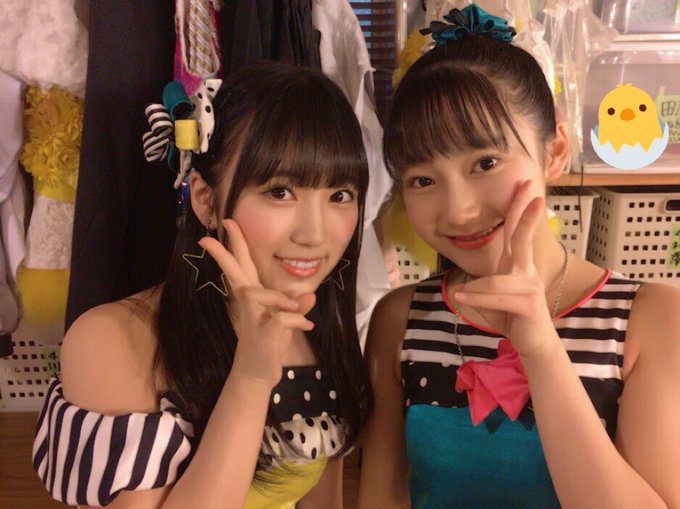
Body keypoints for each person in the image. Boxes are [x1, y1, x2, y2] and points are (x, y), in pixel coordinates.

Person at [357, 5, 680, 509]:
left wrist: (541, 349)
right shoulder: (400, 319)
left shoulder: (650, 318)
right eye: (422, 179)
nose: (459, 210)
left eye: (485, 162)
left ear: (554, 152)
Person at [33, 63, 371, 509]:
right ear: (205, 199)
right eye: (279, 191)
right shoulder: (111, 338)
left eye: (339, 195)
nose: (315, 234)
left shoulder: (322, 325)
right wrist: (250, 378)